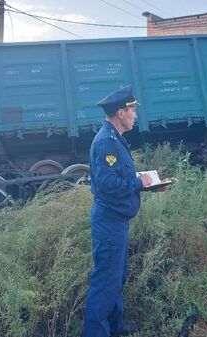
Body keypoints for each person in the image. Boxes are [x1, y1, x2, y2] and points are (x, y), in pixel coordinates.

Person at [82, 85, 153, 337]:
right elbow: (107, 184)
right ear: (121, 112)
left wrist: (147, 185)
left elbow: (115, 177)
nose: (135, 114)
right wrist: (137, 183)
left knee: (115, 278)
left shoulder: (114, 138)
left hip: (116, 221)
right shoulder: (107, 141)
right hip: (109, 222)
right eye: (133, 110)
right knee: (104, 282)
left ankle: (115, 327)